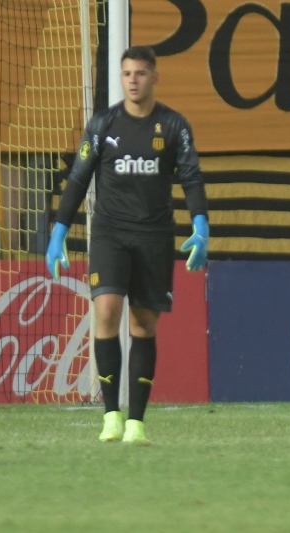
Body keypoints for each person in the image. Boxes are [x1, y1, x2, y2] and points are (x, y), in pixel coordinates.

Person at [46, 45, 209, 444]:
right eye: (127, 74)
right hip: (110, 233)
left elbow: (191, 177)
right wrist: (58, 232)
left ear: (154, 77)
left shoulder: (174, 126)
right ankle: (111, 415)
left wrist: (201, 226)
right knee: (105, 311)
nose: (133, 80)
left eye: (140, 73)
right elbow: (79, 178)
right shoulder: (103, 124)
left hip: (154, 235)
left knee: (143, 325)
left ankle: (136, 421)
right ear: (121, 78)